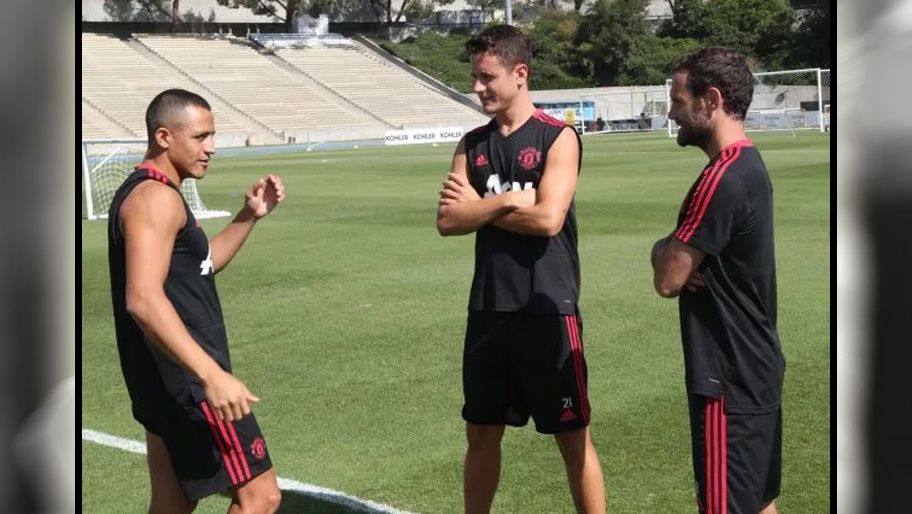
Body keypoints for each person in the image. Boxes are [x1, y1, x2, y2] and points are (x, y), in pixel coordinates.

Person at [436, 25, 606, 514]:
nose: (478, 87)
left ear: (520, 74)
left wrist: (481, 206)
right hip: (489, 308)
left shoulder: (559, 138)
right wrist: (510, 199)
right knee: (481, 432)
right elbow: (448, 219)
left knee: (573, 440)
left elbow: (549, 219)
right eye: (475, 77)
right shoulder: (472, 144)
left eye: (487, 77)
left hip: (548, 308)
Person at [107, 89, 284, 513]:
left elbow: (201, 264)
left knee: (172, 504)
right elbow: (144, 300)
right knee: (261, 497)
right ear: (165, 137)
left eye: (213, 136)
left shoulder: (159, 193)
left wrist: (248, 216)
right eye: (201, 137)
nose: (212, 148)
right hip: (187, 381)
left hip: (164, 378)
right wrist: (211, 375)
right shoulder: (155, 198)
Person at [650, 47, 786, 514]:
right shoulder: (749, 164)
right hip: (758, 367)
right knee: (760, 503)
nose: (672, 111)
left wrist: (663, 250)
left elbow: (668, 278)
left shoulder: (720, 178)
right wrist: (682, 254)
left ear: (710, 100)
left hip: (727, 378)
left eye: (678, 98)